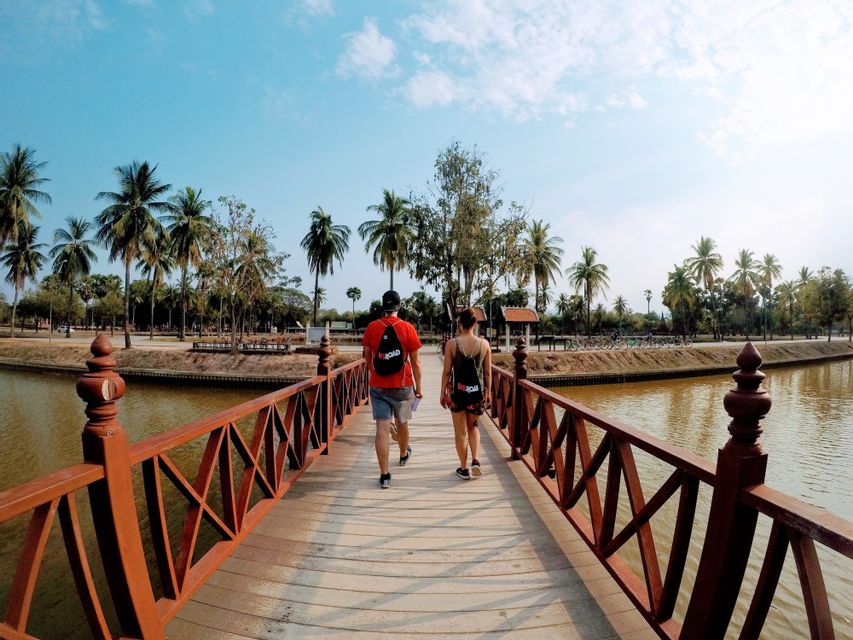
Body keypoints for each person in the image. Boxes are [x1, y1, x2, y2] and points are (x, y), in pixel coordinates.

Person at [362, 290, 423, 489]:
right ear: (399, 306)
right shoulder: (407, 328)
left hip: (378, 386)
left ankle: (385, 475)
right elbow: (416, 363)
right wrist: (419, 387)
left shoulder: (372, 327)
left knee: (382, 429)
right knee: (402, 422)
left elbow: (367, 356)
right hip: (403, 386)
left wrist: (374, 374)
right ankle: (404, 455)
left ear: (383, 306)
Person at [440, 307, 492, 480]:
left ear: (460, 325)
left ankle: (463, 468)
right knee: (473, 427)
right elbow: (487, 373)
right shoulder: (484, 344)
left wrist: (442, 393)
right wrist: (489, 392)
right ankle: (475, 461)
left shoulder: (452, 344)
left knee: (460, 432)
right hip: (477, 395)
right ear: (475, 324)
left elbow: (447, 372)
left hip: (458, 394)